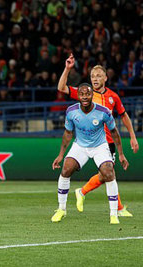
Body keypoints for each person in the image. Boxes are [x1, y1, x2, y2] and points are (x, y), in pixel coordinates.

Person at [57, 54, 138, 216]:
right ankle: (113, 206)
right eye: (93, 76)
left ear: (106, 78)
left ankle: (84, 193)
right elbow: (61, 88)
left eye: (99, 76)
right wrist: (67, 69)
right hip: (87, 142)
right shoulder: (84, 93)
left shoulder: (113, 97)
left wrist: (132, 135)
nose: (95, 78)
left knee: (107, 175)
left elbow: (123, 115)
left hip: (107, 142)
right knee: (108, 175)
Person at [51, 83, 128, 224]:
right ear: (78, 96)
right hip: (80, 146)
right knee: (66, 169)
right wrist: (61, 155)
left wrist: (121, 154)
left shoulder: (104, 112)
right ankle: (61, 209)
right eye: (82, 94)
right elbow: (68, 133)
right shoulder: (71, 111)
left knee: (109, 172)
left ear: (92, 95)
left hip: (100, 146)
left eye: (88, 94)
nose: (85, 97)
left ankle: (113, 214)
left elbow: (114, 132)